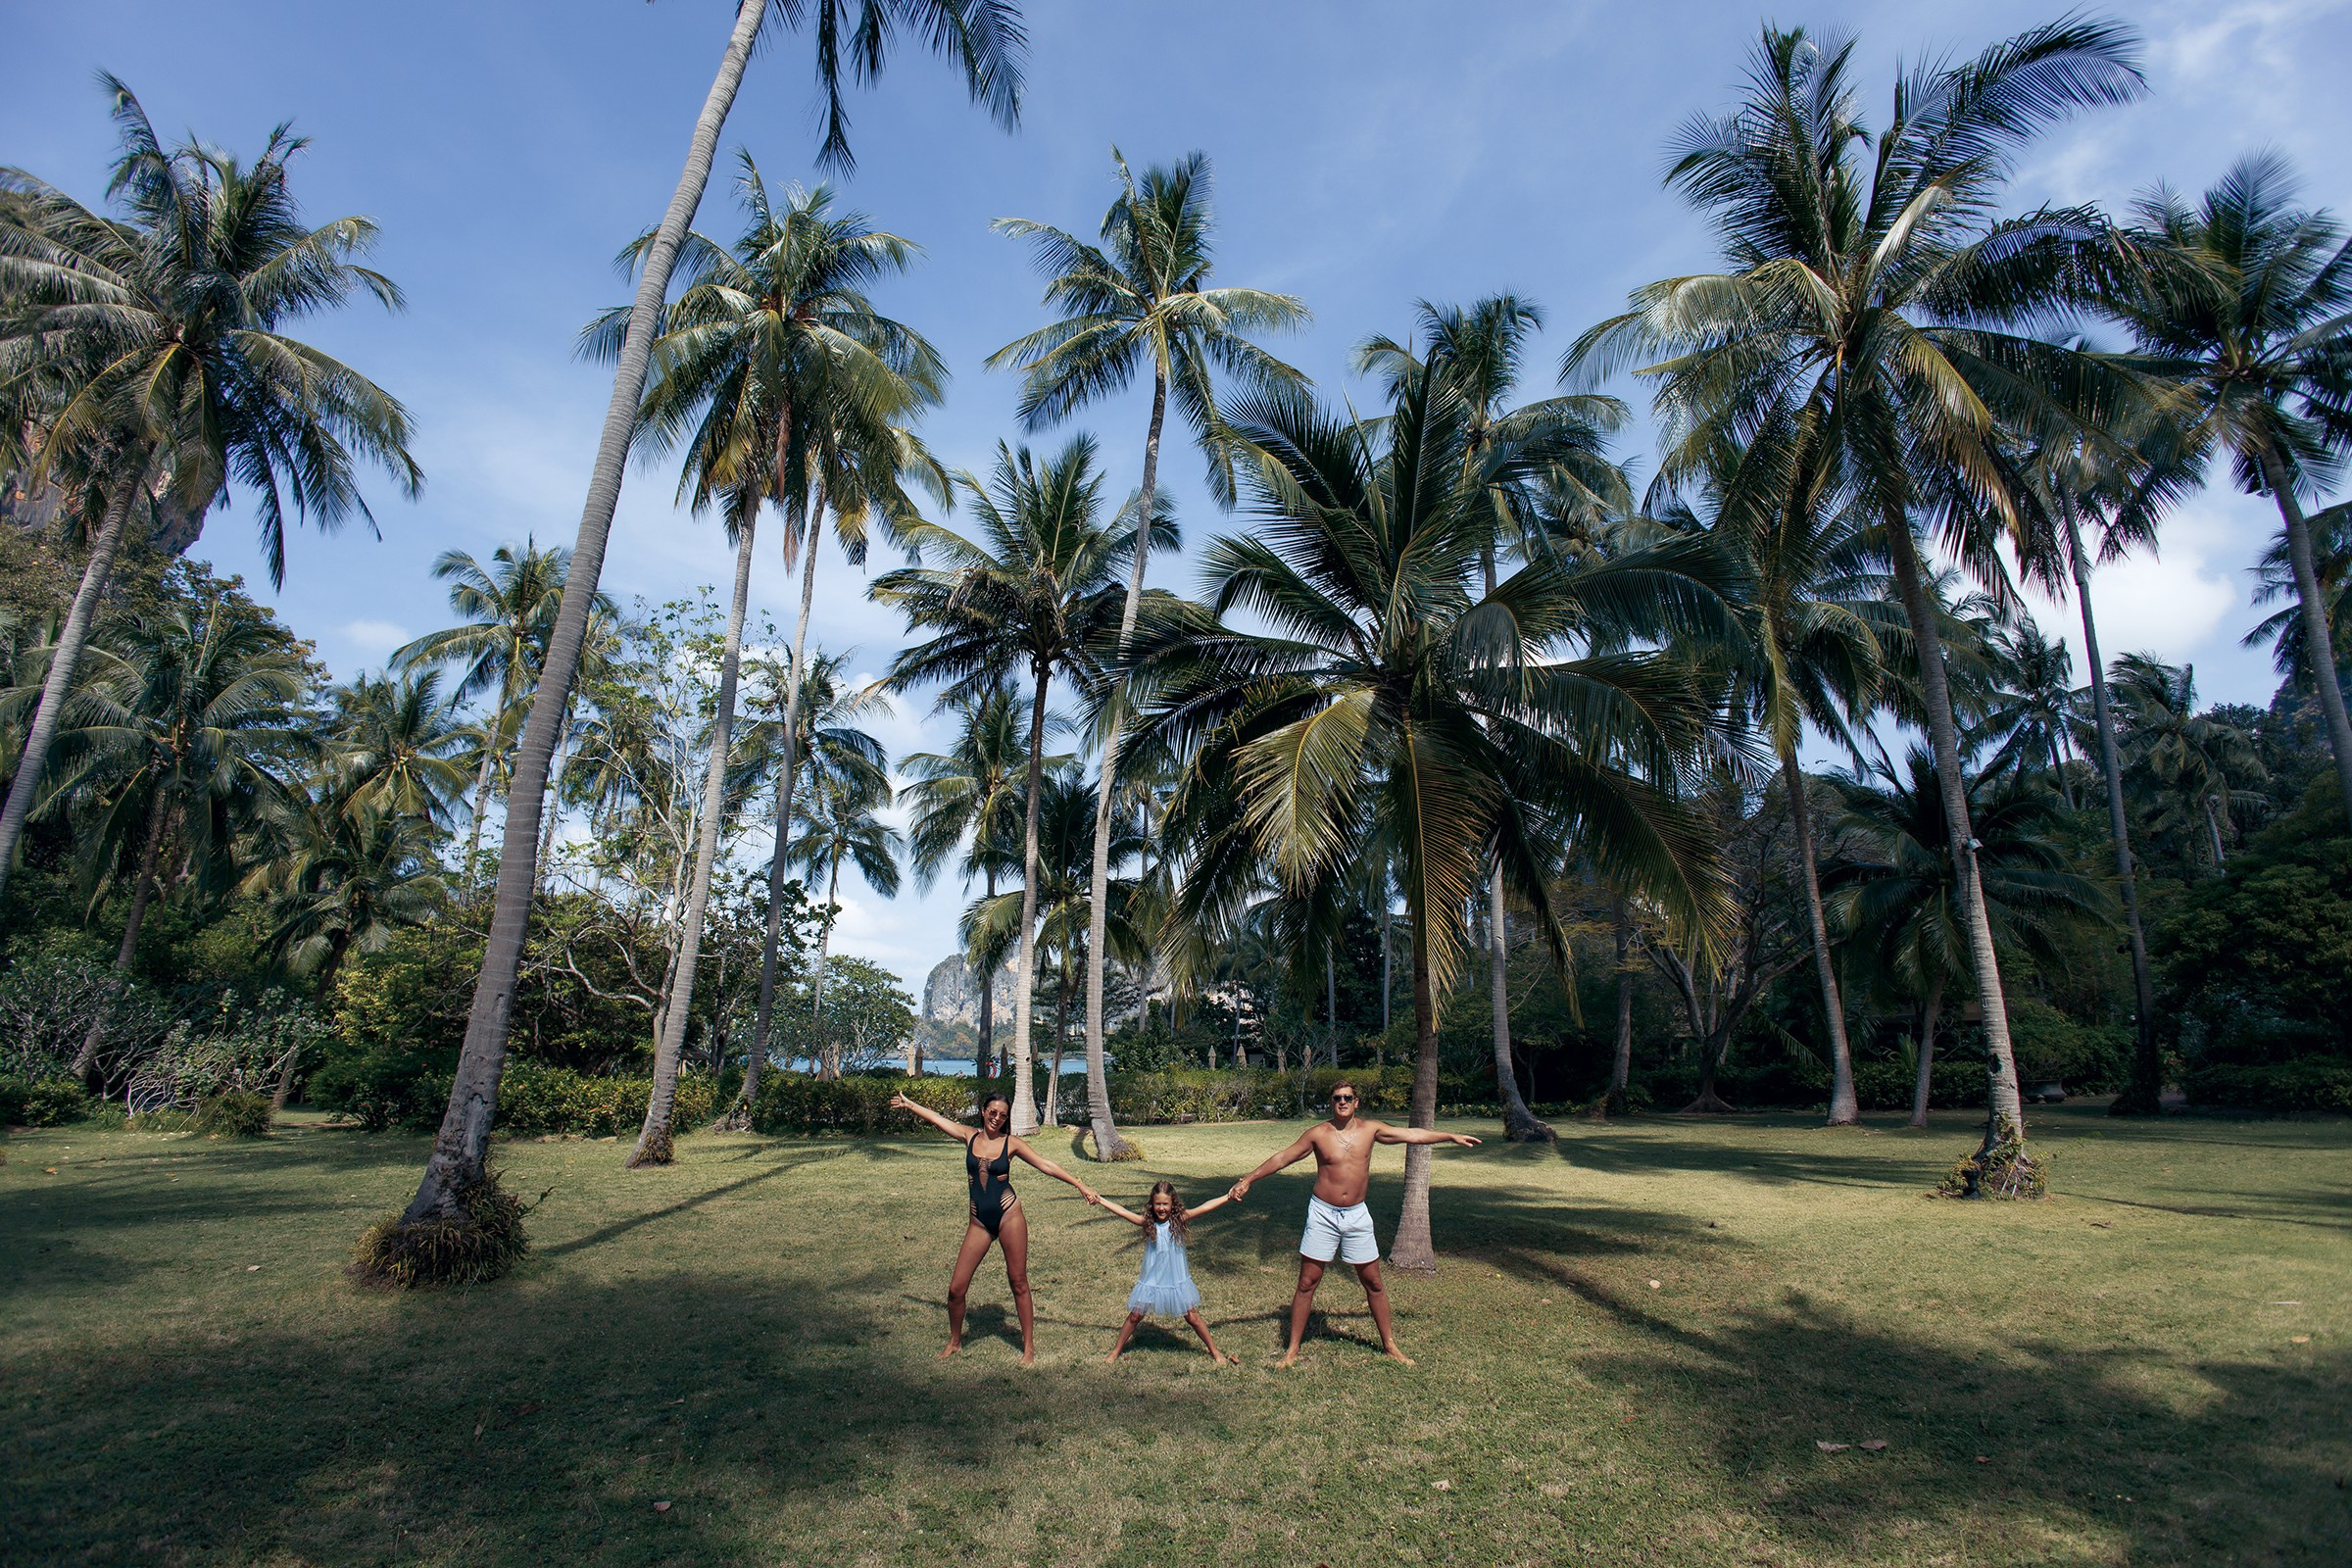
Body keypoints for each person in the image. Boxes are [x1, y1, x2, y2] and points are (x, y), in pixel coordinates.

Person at [1228, 1081, 1480, 1366]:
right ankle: (1292, 1350)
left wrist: (1449, 1135)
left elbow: (1411, 1134)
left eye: (1348, 1097)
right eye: (1337, 1098)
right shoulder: (1318, 1134)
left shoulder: (1370, 1130)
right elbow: (1284, 1157)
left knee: (1373, 1281)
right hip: (1323, 1213)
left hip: (1357, 1215)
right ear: (1331, 1102)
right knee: (1307, 1281)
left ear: (1356, 1102)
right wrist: (1248, 1179)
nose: (1343, 1102)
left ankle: (1390, 1346)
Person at [891, 1090, 1097, 1365]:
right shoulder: (969, 1136)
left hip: (1008, 1215)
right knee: (956, 1289)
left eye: (1002, 1115)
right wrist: (910, 1105)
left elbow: (1045, 1165)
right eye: (993, 1113)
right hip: (979, 1221)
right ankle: (954, 1342)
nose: (997, 1118)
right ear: (983, 1111)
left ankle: (1028, 1348)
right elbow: (939, 1120)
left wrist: (1079, 1185)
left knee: (1018, 1282)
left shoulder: (1011, 1143)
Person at [1089, 1180, 1238, 1365]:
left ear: (1172, 1204)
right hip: (1152, 1278)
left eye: (1165, 1204)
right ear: (1152, 1204)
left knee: (1192, 1316)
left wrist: (1228, 1197)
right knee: (1135, 1315)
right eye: (1157, 1204)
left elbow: (1205, 1207)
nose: (1161, 1208)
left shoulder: (1179, 1220)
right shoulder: (1147, 1223)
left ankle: (1215, 1352)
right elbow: (1123, 1211)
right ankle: (1115, 1351)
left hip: (1176, 1278)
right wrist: (1101, 1200)